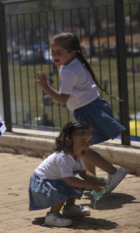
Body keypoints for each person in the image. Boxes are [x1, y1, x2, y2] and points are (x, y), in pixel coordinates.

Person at [35, 32, 127, 195]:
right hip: (93, 106)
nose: (53, 54)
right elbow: (76, 54)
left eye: (58, 52)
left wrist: (45, 87)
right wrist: (77, 51)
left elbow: (62, 99)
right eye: (52, 50)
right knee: (85, 149)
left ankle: (114, 172)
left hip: (87, 111)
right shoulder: (75, 60)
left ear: (71, 53)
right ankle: (94, 182)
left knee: (81, 149)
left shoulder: (67, 71)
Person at [29, 121, 106, 227]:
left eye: (89, 141)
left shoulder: (77, 156)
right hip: (41, 184)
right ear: (69, 141)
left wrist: (97, 180)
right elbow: (69, 180)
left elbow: (83, 173)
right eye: (83, 141)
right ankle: (52, 216)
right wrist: (91, 185)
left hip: (54, 181)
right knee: (69, 185)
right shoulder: (64, 157)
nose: (87, 145)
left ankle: (69, 209)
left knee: (74, 185)